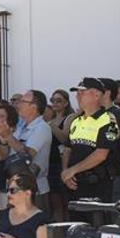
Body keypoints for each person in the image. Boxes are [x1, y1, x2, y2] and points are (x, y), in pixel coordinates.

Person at [62, 78, 119, 207]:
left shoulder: (108, 120)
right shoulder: (76, 121)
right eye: (77, 93)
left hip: (97, 184)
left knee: (97, 224)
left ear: (97, 95)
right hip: (74, 184)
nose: (78, 96)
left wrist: (72, 170)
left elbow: (101, 154)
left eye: (83, 92)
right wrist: (66, 172)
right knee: (75, 225)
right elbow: (68, 149)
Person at [8, 90, 53, 214]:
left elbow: (27, 154)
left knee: (35, 230)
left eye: (23, 101)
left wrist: (7, 135)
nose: (18, 105)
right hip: (16, 187)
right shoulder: (21, 126)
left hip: (35, 189)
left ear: (34, 107)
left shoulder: (42, 128)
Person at [47, 90, 75, 221]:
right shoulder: (51, 120)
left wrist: (52, 125)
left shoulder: (69, 118)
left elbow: (65, 138)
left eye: (59, 101)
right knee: (55, 200)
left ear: (66, 103)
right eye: (53, 100)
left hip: (62, 163)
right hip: (50, 163)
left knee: (64, 200)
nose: (55, 103)